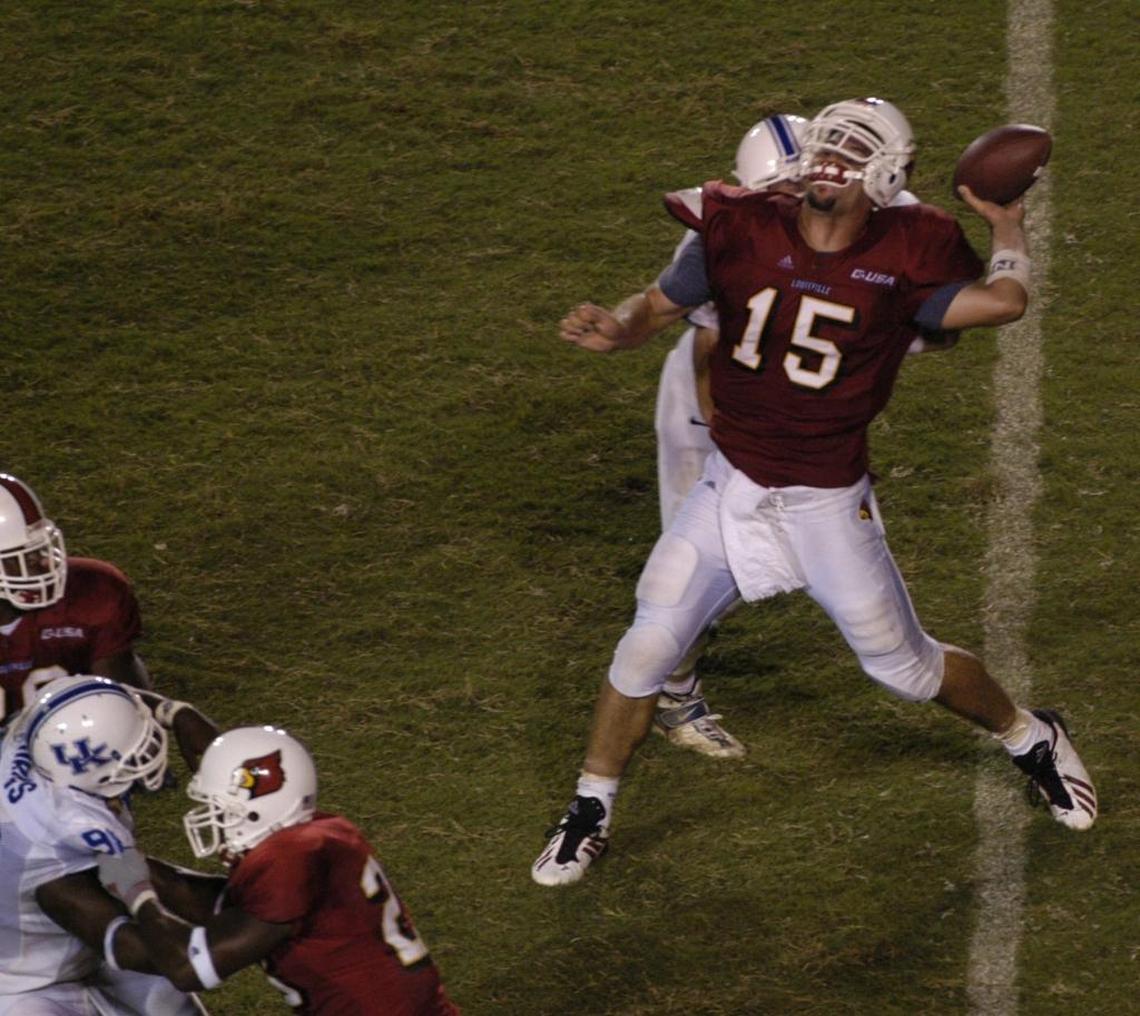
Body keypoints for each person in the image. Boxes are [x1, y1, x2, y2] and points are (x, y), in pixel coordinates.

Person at [531, 97, 1097, 887]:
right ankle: (591, 805)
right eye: (828, 142)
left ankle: (1030, 734)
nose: (833, 159)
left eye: (854, 149)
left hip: (827, 500)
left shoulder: (910, 249)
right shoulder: (737, 222)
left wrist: (1007, 225)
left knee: (902, 668)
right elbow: (658, 305)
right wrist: (618, 327)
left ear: (885, 177)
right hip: (731, 484)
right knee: (647, 645)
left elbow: (1004, 302)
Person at [651, 114, 952, 759]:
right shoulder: (730, 236)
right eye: (779, 195)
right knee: (702, 567)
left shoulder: (875, 205)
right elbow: (711, 352)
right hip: (715, 410)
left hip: (789, 390)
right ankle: (673, 691)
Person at [96, 725, 461, 1015]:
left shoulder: (289, 858)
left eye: (221, 809)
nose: (216, 820)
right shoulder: (320, 833)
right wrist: (130, 860)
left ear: (258, 808)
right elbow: (229, 907)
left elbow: (191, 969)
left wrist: (136, 892)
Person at [0, 674, 213, 1013]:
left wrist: (176, 712)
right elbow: (130, 938)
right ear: (99, 773)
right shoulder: (59, 833)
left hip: (67, 942)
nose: (154, 747)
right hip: (18, 985)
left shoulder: (40, 738)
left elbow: (106, 700)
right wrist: (239, 941)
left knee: (173, 1005)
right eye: (141, 747)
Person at [0, 472, 154, 725]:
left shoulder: (93, 593)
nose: (41, 564)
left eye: (40, 550)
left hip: (79, 748)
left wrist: (170, 711)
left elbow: (129, 712)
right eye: (20, 557)